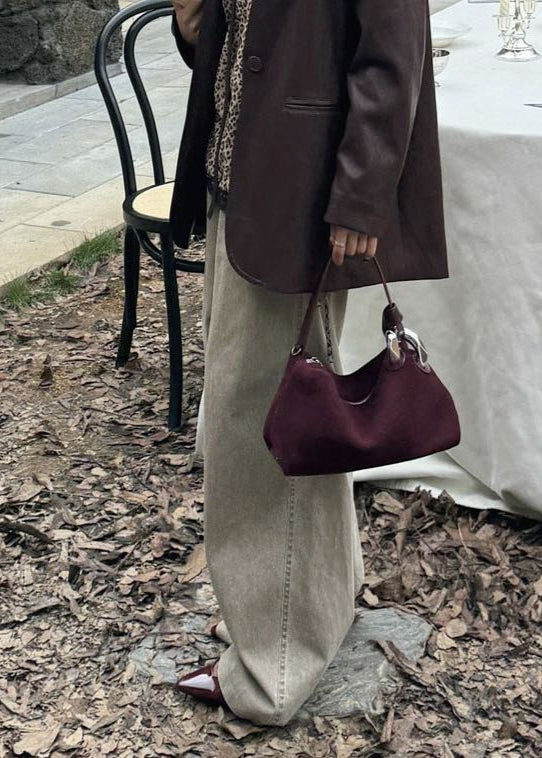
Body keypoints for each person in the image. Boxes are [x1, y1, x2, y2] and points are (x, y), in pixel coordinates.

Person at [169, 0, 448, 727]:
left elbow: (394, 53)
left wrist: (362, 195)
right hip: (246, 186)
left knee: (257, 423)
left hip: (301, 191)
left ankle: (275, 666)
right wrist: (196, 23)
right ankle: (309, 606)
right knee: (276, 409)